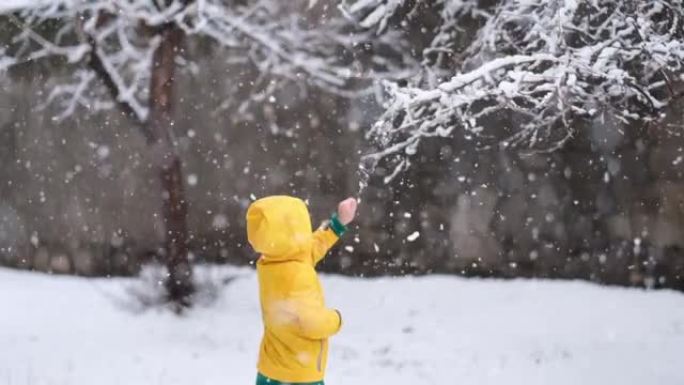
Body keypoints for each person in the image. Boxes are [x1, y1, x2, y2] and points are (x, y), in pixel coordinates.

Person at [246, 195, 358, 385]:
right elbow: (313, 324)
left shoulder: (271, 261)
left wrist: (338, 223)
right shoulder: (297, 276)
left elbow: (311, 247)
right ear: (292, 230)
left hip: (271, 371)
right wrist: (336, 318)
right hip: (299, 376)